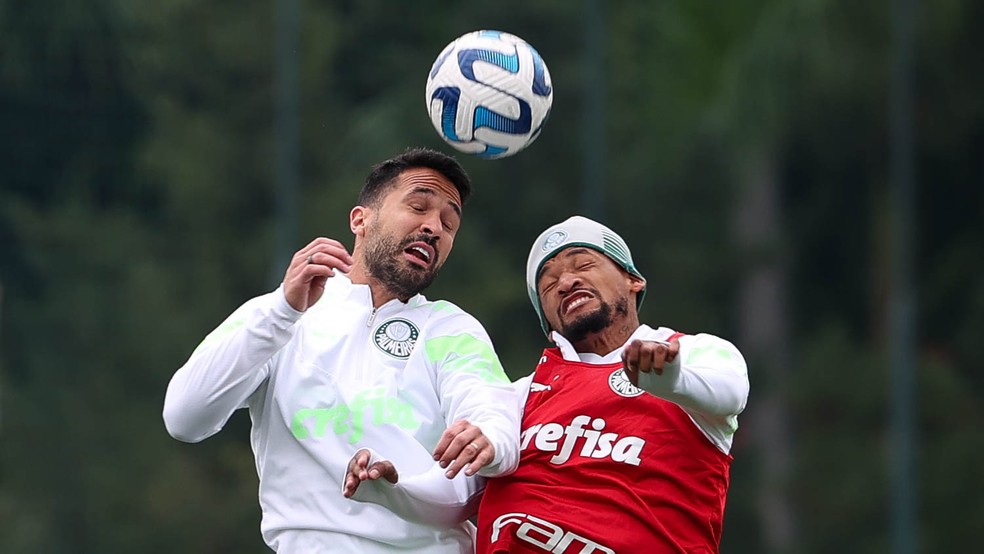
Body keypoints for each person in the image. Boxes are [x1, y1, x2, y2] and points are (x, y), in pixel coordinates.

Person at [163, 147, 521, 553]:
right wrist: (282, 310)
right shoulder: (280, 316)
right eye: (418, 206)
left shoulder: (453, 329)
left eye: (448, 223)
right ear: (360, 220)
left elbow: (492, 422)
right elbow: (185, 417)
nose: (434, 227)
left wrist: (485, 443)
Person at [343, 215, 749, 554]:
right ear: (547, 319)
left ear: (632, 279)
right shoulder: (518, 396)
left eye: (583, 264)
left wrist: (670, 379)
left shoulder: (687, 352)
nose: (566, 282)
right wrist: (392, 491)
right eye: (548, 282)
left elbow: (730, 392)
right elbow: (457, 496)